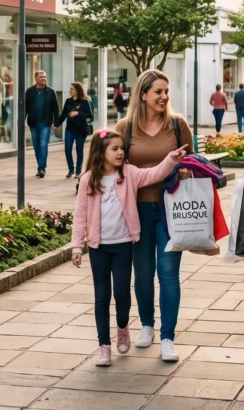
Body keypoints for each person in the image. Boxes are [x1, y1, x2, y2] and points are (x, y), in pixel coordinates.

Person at [70, 129, 190, 367]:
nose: (120, 153)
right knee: (101, 296)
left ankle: (123, 327)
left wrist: (171, 159)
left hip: (124, 245)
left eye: (121, 148)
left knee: (122, 294)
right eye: (114, 149)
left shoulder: (129, 174)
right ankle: (104, 345)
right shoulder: (88, 179)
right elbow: (80, 215)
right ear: (100, 152)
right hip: (98, 248)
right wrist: (76, 246)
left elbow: (154, 173)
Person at [116, 69, 191, 362]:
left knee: (169, 274)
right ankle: (147, 324)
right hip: (136, 211)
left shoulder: (177, 124)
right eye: (158, 92)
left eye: (166, 91)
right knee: (143, 274)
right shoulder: (125, 128)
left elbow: (194, 163)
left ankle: (168, 337)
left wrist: (186, 170)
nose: (164, 97)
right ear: (143, 94)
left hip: (171, 209)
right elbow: (112, 164)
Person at [56, 82, 94, 179]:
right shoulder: (68, 101)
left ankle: (78, 171)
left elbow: (90, 115)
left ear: (77, 90)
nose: (70, 90)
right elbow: (64, 114)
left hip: (81, 129)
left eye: (72, 89)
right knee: (67, 149)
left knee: (79, 149)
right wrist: (56, 125)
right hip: (70, 129)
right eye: (70, 88)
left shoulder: (85, 101)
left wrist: (78, 113)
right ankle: (70, 169)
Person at [25, 70, 58, 179]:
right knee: (36, 146)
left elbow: (55, 109)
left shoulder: (51, 92)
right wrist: (23, 120)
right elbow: (25, 108)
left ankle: (41, 168)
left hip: (46, 123)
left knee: (43, 145)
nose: (44, 78)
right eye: (41, 77)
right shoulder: (29, 91)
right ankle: (40, 166)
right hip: (33, 123)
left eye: (45, 77)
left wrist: (56, 123)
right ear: (36, 79)